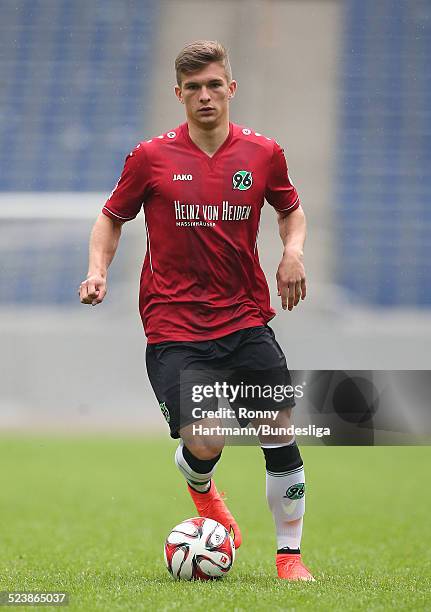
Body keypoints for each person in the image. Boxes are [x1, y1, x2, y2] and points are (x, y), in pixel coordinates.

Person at [79, 40, 314, 581]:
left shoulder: (263, 153)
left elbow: (291, 211)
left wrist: (293, 252)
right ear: (178, 94)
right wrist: (98, 271)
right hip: (174, 325)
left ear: (230, 89)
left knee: (278, 430)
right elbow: (111, 217)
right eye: (193, 88)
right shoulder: (151, 157)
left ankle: (289, 558)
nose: (204, 96)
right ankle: (204, 491)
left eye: (213, 85)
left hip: (246, 317)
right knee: (209, 438)